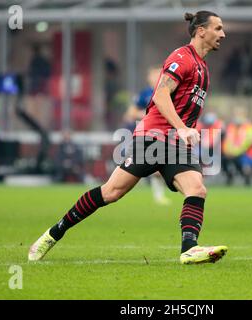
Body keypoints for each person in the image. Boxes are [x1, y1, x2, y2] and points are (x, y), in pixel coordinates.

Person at [28, 11, 228, 265]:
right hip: (153, 137)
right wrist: (181, 127)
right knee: (111, 193)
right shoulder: (182, 57)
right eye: (218, 28)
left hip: (176, 143)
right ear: (201, 30)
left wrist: (188, 129)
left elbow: (184, 105)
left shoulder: (204, 68)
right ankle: (53, 233)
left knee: (197, 189)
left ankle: (189, 249)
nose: (223, 33)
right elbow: (161, 95)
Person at [123, 66, 171, 205]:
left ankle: (158, 196)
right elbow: (130, 113)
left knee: (157, 169)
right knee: (137, 167)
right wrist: (151, 115)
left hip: (162, 134)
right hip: (145, 134)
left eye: (158, 74)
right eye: (152, 75)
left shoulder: (166, 91)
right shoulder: (145, 94)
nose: (155, 77)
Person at [222, 109, 252, 186]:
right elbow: (228, 141)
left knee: (244, 167)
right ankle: (230, 177)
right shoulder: (231, 127)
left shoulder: (249, 128)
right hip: (233, 153)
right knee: (224, 161)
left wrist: (235, 152)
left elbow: (247, 143)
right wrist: (227, 152)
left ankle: (247, 179)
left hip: (246, 154)